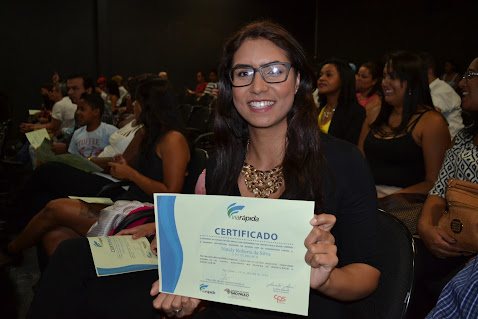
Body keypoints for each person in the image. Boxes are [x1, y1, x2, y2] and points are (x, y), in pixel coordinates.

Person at [28, 21, 379, 319]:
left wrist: (325, 279)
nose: (258, 86)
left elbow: (367, 274)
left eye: (274, 70)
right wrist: (178, 259)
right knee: (74, 257)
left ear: (297, 79)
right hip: (221, 302)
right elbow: (216, 257)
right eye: (243, 73)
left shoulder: (343, 162)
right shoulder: (222, 163)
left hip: (300, 307)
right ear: (230, 87)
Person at [0, 78, 190, 265]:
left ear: (149, 105)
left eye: (137, 101)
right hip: (125, 202)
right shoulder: (149, 134)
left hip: (140, 215)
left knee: (54, 208)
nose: (133, 105)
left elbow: (170, 193)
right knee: (53, 237)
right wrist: (126, 165)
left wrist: (131, 174)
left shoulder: (173, 139)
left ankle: (10, 252)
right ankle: (65, 289)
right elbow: (144, 172)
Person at [413, 57, 478, 318]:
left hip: (470, 257)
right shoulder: (464, 137)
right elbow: (439, 190)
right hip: (451, 238)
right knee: (401, 263)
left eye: (472, 75)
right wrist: (426, 227)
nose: (462, 83)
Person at [358, 51, 450, 197]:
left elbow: (435, 182)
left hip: (407, 203)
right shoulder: (374, 115)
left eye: (393, 77)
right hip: (367, 197)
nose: (385, 83)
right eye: (384, 76)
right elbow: (359, 164)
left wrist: (388, 200)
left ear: (413, 82)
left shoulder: (432, 122)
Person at [317, 58, 366, 145]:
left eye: (328, 75)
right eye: (320, 75)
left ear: (344, 78)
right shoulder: (319, 109)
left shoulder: (355, 112)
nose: (321, 78)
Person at [421, 53, 463, 139]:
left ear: (429, 72)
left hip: (454, 142)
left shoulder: (442, 89)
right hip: (443, 138)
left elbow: (431, 114)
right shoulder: (430, 88)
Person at [67, 93, 118, 158]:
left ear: (96, 112)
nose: (78, 112)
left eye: (82, 109)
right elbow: (73, 159)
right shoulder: (77, 134)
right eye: (78, 109)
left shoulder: (111, 132)